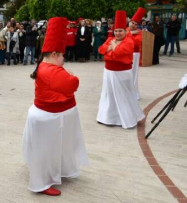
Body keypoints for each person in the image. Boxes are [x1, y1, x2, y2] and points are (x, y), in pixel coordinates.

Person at [22, 17, 88, 197]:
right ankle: (41, 182)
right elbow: (72, 84)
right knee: (47, 149)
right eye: (63, 55)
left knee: (51, 148)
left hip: (48, 114)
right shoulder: (53, 71)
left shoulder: (44, 65)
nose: (64, 59)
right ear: (54, 54)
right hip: (49, 117)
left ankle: (51, 172)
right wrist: (71, 75)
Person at [97, 11, 145, 129]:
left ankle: (126, 118)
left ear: (125, 31)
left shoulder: (128, 41)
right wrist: (111, 48)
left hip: (122, 73)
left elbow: (118, 54)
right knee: (109, 94)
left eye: (120, 31)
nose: (118, 33)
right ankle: (108, 117)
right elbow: (100, 50)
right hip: (108, 72)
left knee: (123, 96)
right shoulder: (111, 39)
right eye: (116, 31)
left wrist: (113, 48)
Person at [129, 7, 145, 100]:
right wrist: (130, 33)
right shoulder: (126, 30)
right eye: (132, 23)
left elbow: (136, 43)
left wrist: (130, 34)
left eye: (136, 24)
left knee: (133, 74)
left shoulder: (139, 32)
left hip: (134, 55)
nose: (133, 25)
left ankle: (133, 93)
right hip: (126, 54)